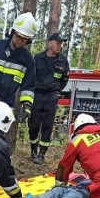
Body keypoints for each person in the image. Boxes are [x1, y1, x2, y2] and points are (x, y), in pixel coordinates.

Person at [28, 32, 70, 164]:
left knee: (47, 126)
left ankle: (42, 153)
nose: (60, 46)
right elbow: (30, 76)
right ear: (49, 43)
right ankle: (33, 149)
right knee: (34, 124)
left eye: (61, 44)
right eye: (57, 43)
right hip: (37, 95)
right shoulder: (37, 58)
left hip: (51, 96)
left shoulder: (63, 60)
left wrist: (57, 90)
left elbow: (65, 79)